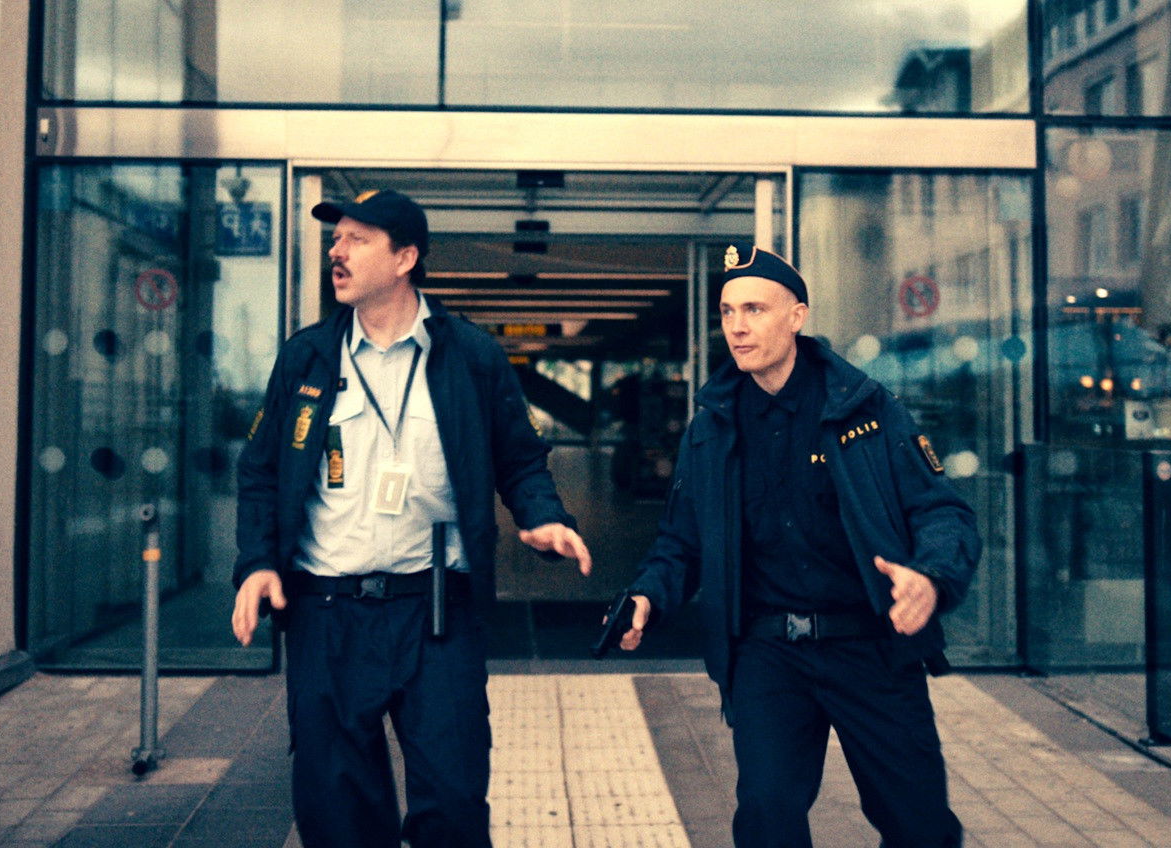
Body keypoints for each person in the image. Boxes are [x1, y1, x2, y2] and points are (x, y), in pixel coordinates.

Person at [230, 188, 592, 848]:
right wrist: (256, 562)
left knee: (453, 802)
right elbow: (260, 471)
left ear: (405, 258)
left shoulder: (471, 356)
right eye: (335, 239)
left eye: (357, 239)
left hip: (436, 612)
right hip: (326, 612)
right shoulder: (307, 357)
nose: (337, 252)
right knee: (336, 812)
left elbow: (520, 458)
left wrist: (543, 516)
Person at [617, 245, 980, 848]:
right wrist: (647, 596)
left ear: (797, 316)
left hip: (870, 644)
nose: (737, 326)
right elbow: (681, 541)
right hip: (768, 652)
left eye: (754, 309)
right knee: (766, 815)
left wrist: (930, 577)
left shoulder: (864, 410)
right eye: (728, 311)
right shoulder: (712, 426)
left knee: (918, 824)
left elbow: (942, 511)